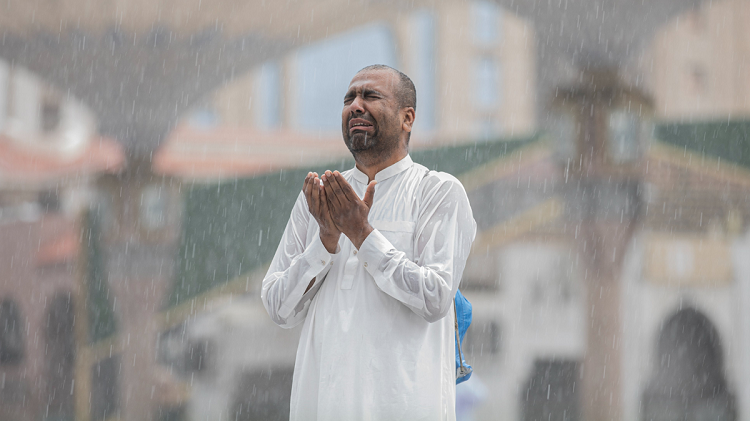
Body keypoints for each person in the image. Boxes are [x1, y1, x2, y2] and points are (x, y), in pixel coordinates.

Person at [261, 64, 477, 421]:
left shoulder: (437, 191)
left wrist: (362, 235)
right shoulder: (320, 195)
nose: (355, 106)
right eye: (349, 98)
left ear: (408, 118)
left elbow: (435, 298)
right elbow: (278, 307)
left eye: (370, 96)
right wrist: (326, 241)